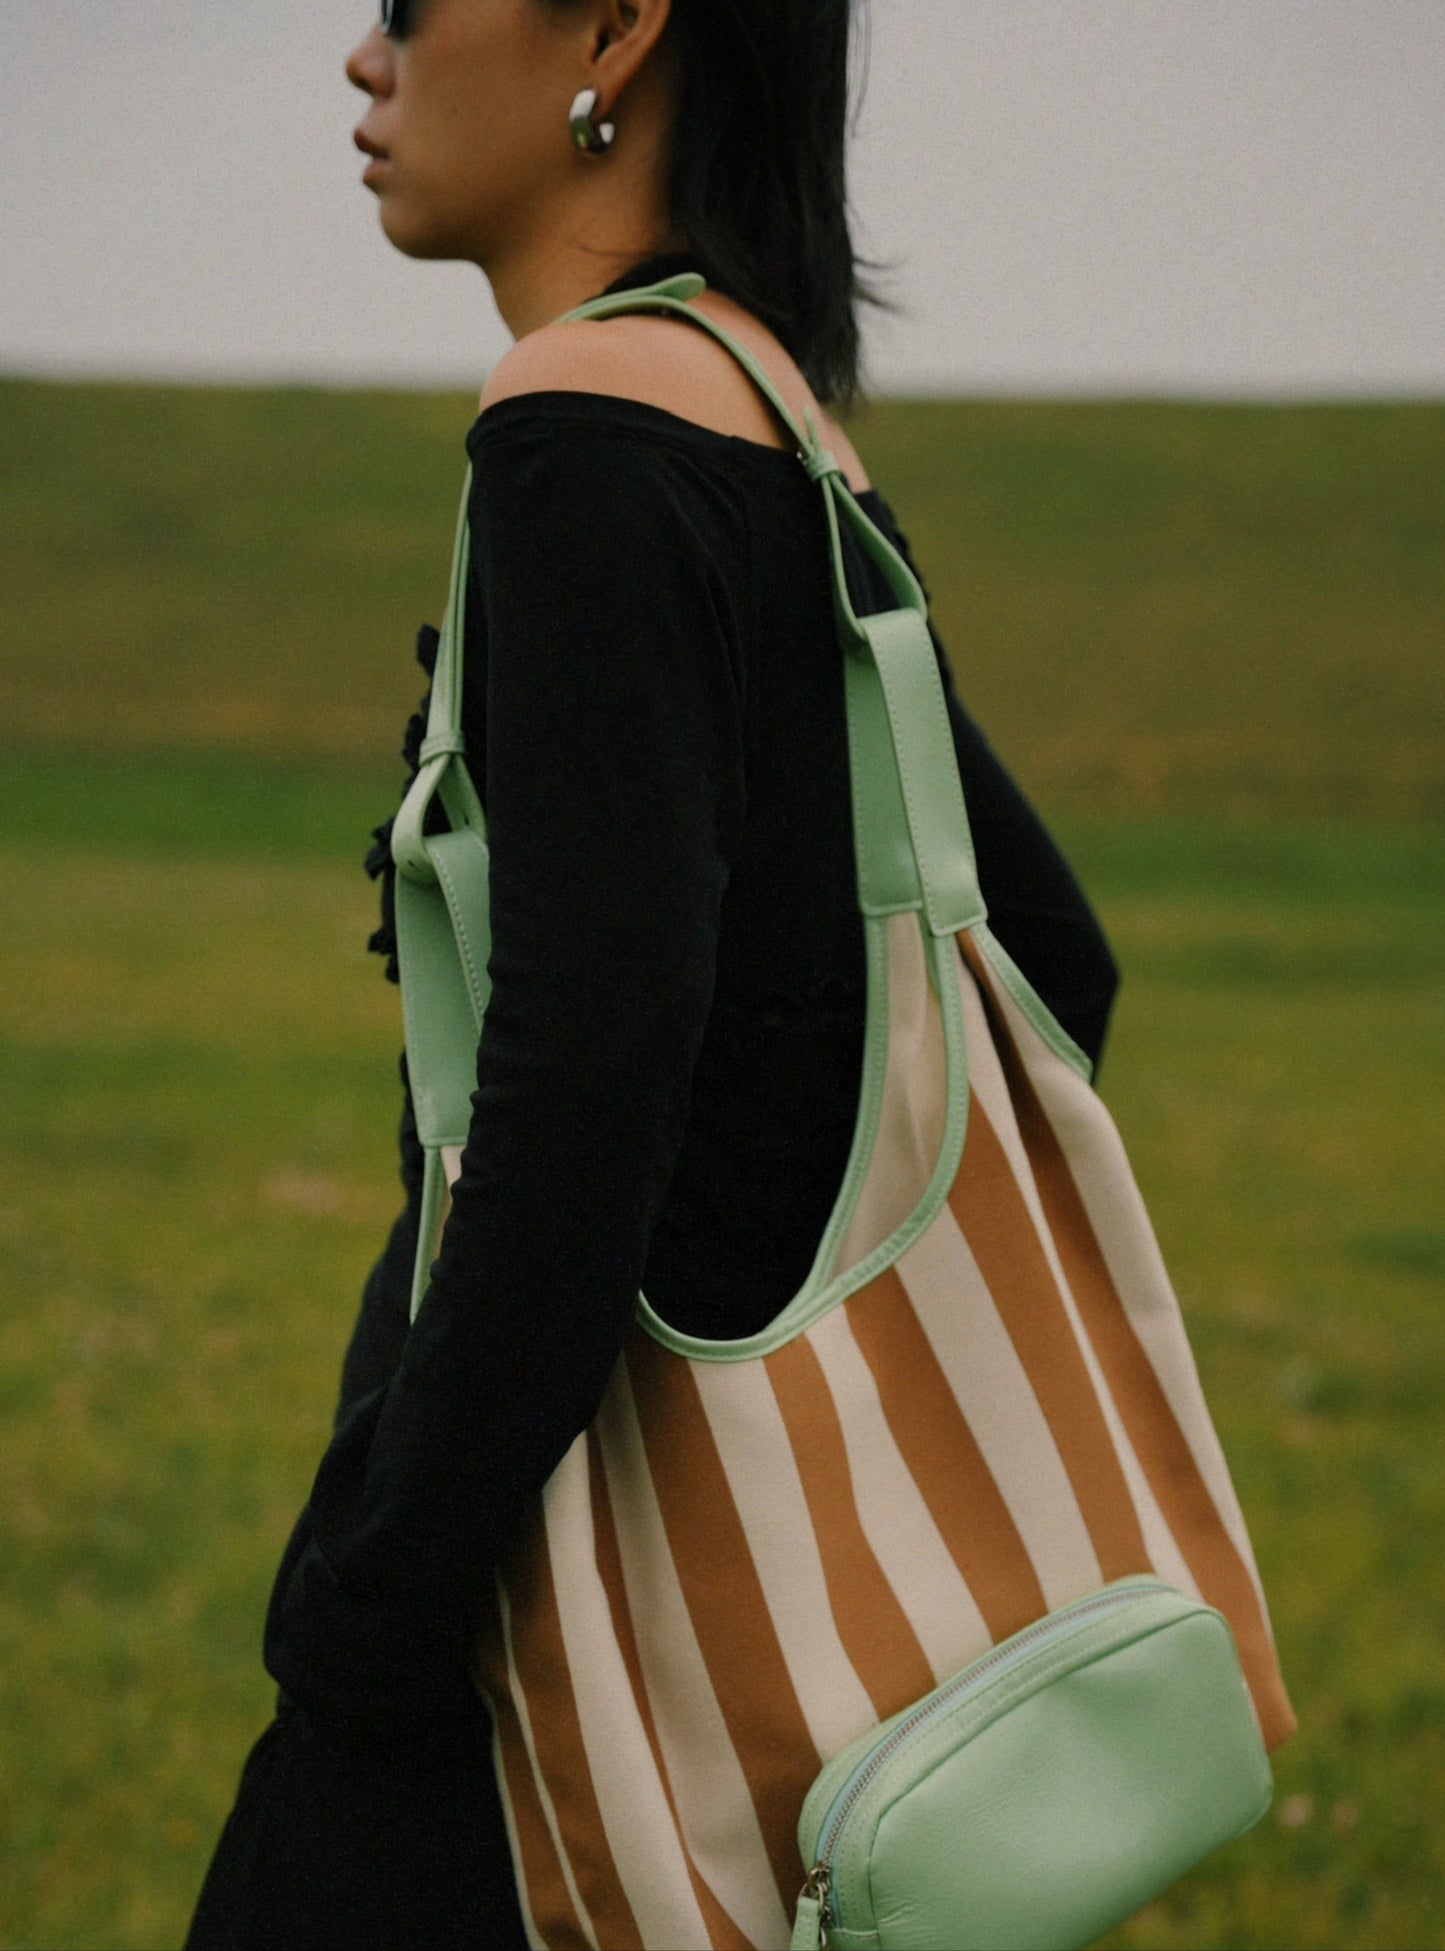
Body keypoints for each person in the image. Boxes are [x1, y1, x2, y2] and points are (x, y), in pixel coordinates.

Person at [187, 1, 1119, 1945]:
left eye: (410, 5)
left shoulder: (584, 432)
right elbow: (1048, 956)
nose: (366, 59)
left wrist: (373, 1607)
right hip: (765, 1705)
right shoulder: (774, 420)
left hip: (516, 1670)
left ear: (614, 27)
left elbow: (586, 1088)